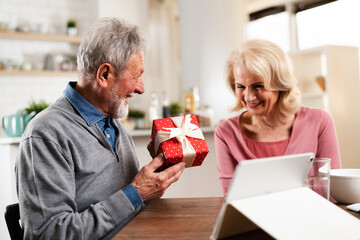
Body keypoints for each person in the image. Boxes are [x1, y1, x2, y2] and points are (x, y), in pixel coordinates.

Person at [15, 17, 185, 239]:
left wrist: (156, 179)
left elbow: (127, 208)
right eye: (137, 75)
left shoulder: (114, 124)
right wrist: (136, 192)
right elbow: (48, 234)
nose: (142, 88)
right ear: (105, 75)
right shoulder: (46, 134)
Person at [215, 39, 341, 195]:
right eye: (241, 86)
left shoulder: (319, 121)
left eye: (258, 86)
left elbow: (333, 191)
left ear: (280, 84)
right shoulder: (226, 132)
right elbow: (231, 197)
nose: (248, 97)